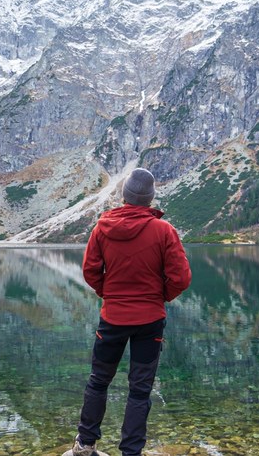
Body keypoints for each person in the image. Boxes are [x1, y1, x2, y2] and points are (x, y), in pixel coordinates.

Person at [64, 167, 192, 456]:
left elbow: (90, 271)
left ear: (125, 196)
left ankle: (85, 445)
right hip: (150, 321)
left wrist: (108, 294)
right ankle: (131, 453)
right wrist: (160, 297)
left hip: (112, 318)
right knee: (140, 389)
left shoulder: (102, 228)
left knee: (98, 380)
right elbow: (181, 278)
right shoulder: (164, 231)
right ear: (149, 199)